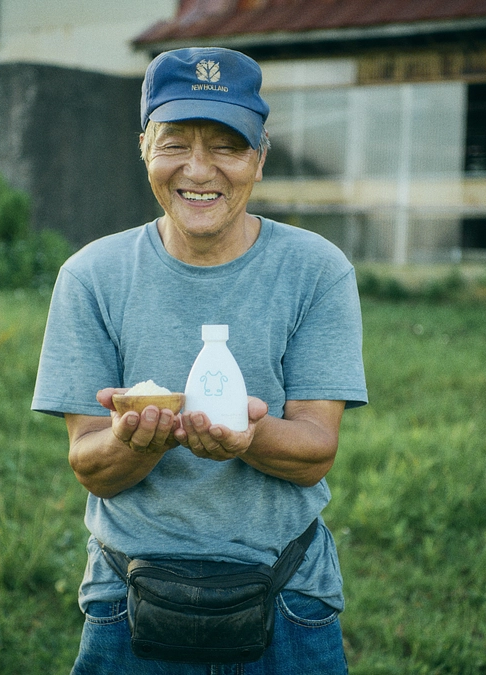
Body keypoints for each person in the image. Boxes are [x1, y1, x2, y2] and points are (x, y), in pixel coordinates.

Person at [31, 46, 368, 674]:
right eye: (175, 143)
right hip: (128, 595)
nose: (198, 169)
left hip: (287, 593)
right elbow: (90, 466)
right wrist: (137, 441)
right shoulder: (91, 276)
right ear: (143, 148)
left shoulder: (316, 270)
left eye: (226, 146)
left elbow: (315, 453)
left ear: (260, 157)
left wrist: (246, 436)